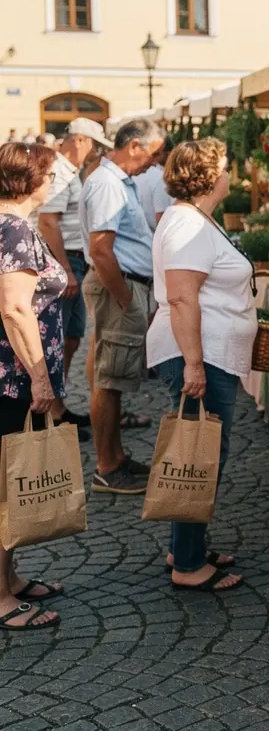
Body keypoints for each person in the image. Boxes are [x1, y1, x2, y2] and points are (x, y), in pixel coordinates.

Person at [147, 139, 255, 592]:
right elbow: (181, 296)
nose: (231, 173)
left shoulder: (194, 220)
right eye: (227, 166)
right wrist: (194, 364)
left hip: (208, 353)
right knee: (200, 456)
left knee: (201, 452)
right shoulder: (186, 224)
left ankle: (187, 545)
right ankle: (188, 565)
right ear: (210, 176)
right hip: (200, 355)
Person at [0, 142, 66, 631]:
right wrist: (40, 379)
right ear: (30, 180)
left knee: (9, 483)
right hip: (12, 378)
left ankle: (10, 578)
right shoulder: (16, 229)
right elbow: (15, 308)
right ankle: (0, 598)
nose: (54, 180)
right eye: (49, 172)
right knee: (4, 488)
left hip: (10, 376)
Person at [80, 118, 164, 494]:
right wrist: (125, 297)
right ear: (133, 146)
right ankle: (107, 467)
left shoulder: (115, 182)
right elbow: (101, 249)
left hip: (124, 284)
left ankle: (115, 457)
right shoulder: (108, 184)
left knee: (110, 378)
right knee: (109, 381)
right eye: (152, 153)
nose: (154, 162)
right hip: (119, 286)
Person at [37, 118, 114, 440]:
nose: (96, 152)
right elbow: (47, 221)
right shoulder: (60, 171)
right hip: (64, 261)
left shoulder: (69, 171)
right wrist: (64, 269)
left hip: (73, 261)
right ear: (80, 140)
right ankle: (49, 412)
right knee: (57, 338)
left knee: (72, 336)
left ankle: (58, 403)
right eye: (95, 145)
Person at [135, 137, 175, 233]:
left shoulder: (137, 173)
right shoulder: (159, 177)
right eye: (157, 154)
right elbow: (161, 219)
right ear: (169, 153)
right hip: (154, 239)